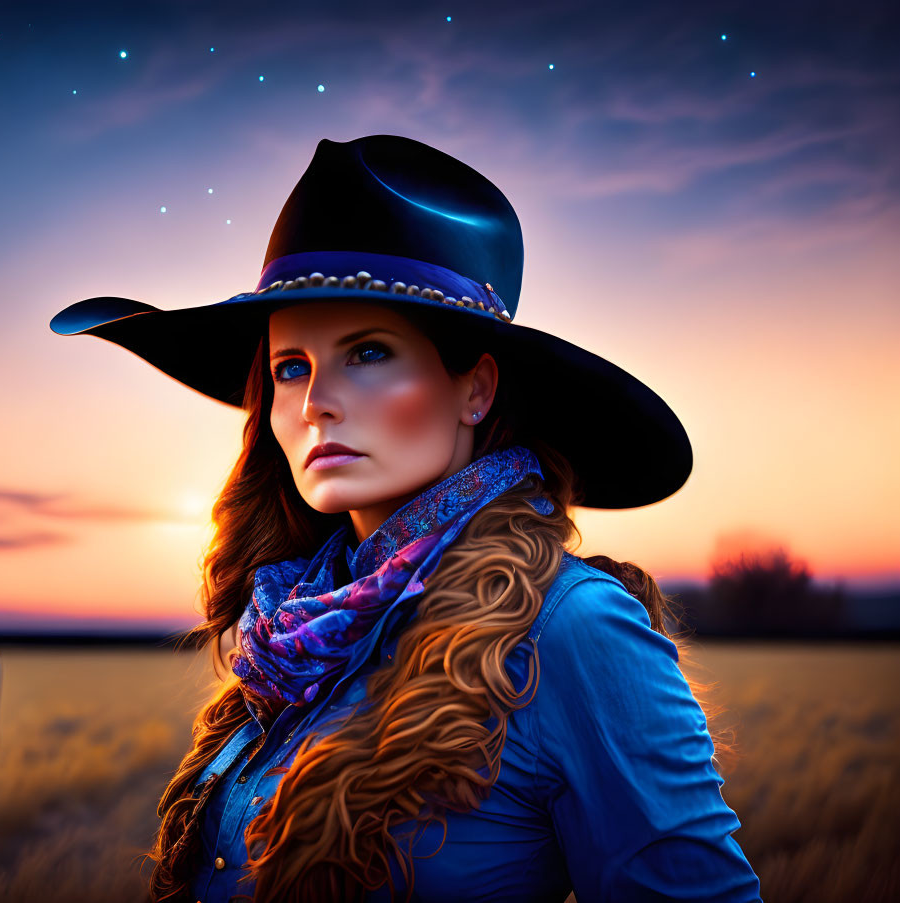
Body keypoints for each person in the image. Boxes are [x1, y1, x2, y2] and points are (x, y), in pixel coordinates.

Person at [50, 135, 762, 902]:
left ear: (475, 390)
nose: (316, 399)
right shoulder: (292, 633)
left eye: (367, 352)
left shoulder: (574, 629)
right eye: (291, 366)